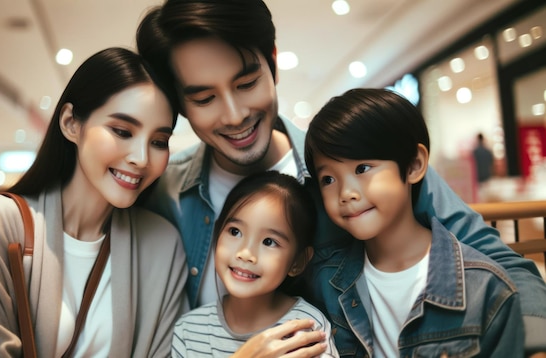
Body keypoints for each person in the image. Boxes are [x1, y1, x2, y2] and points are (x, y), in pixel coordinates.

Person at [135, 0, 546, 354]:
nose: (234, 114)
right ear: (181, 105)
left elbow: (504, 268)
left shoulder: (351, 161)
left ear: (273, 63)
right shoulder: (165, 191)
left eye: (247, 83)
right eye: (204, 98)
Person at [0, 47, 188, 357]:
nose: (141, 158)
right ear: (71, 123)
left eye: (158, 142)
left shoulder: (163, 246)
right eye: (122, 131)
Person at [304, 88, 524, 357]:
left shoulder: (485, 288)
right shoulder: (325, 282)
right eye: (328, 179)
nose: (345, 193)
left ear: (414, 165)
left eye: (362, 169)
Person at [172, 171, 338, 357]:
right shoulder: (189, 331)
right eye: (235, 232)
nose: (246, 253)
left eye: (269, 242)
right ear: (216, 234)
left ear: (298, 262)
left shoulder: (306, 330)